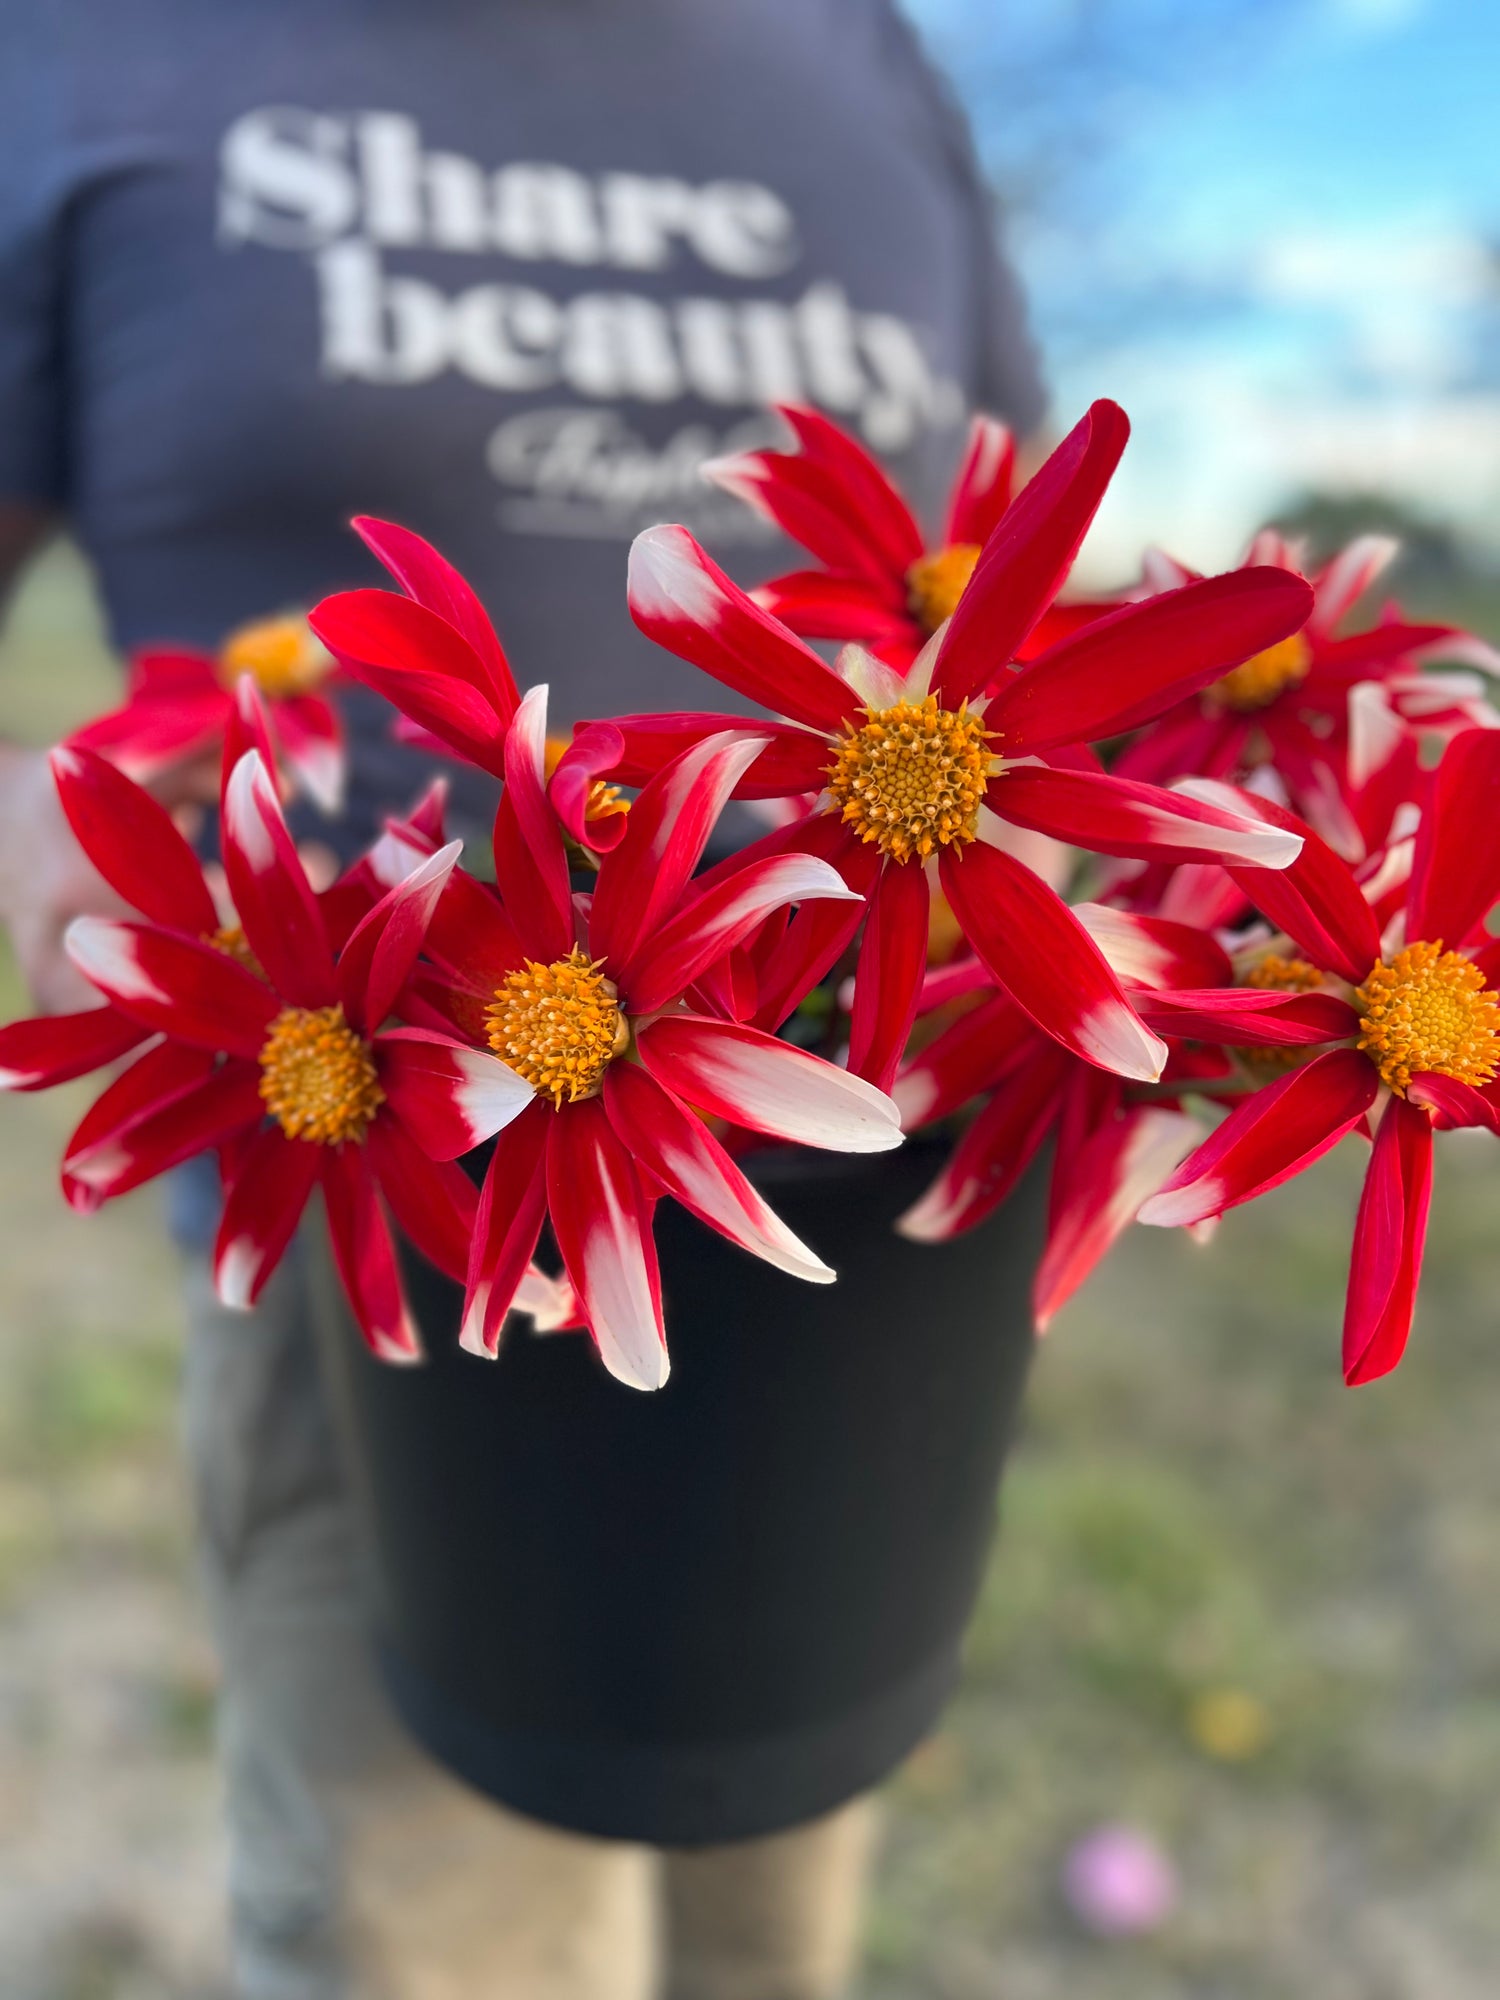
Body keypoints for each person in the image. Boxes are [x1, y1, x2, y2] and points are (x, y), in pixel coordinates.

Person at [0, 4, 1045, 1994]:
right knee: (439, 1929)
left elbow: (994, 555)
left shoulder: (868, 50)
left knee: (784, 1901)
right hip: (366, 1216)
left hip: (869, 1229)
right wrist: (32, 821)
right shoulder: (79, 47)